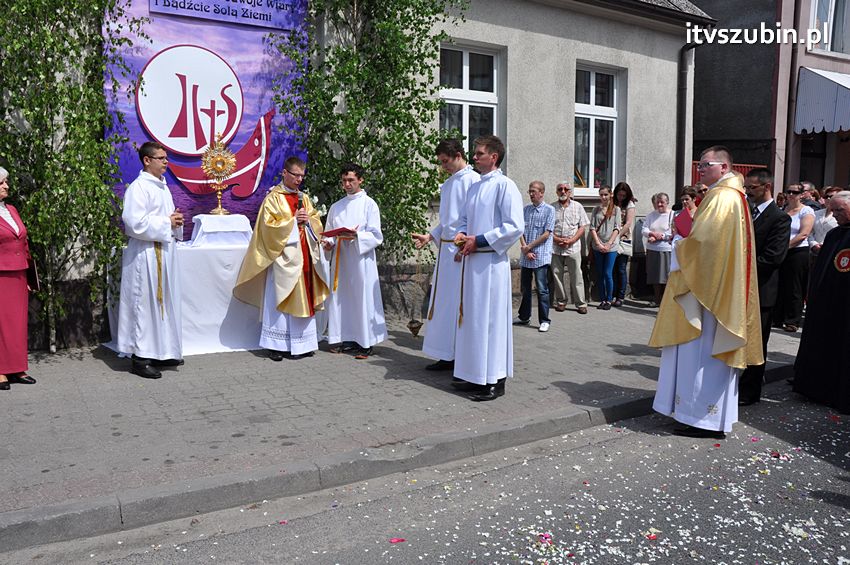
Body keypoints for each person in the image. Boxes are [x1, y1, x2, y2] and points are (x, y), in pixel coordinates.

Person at [649, 145, 762, 439]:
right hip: (715, 287)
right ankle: (700, 416)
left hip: (710, 295)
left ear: (724, 167)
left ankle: (703, 420)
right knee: (702, 357)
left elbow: (704, 244)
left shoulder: (723, 197)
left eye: (706, 164)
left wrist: (677, 245)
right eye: (699, 164)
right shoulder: (728, 195)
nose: (701, 169)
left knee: (702, 356)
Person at [233, 157, 330, 361]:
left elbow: (315, 221)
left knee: (304, 298)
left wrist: (309, 222)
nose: (299, 180)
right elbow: (267, 228)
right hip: (282, 258)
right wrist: (293, 222)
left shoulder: (304, 198)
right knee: (279, 299)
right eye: (295, 175)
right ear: (284, 173)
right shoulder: (273, 199)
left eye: (302, 176)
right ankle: (276, 346)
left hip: (303, 256)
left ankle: (302, 344)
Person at [451, 135, 524, 401]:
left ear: (493, 157)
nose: (474, 157)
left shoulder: (506, 186)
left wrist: (478, 240)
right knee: (472, 319)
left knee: (491, 322)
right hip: (472, 263)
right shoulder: (474, 187)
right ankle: (474, 375)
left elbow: (514, 226)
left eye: (479, 153)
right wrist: (461, 235)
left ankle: (494, 380)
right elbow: (465, 219)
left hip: (491, 264)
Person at [116, 142, 184, 379]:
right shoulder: (138, 188)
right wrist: (167, 223)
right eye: (161, 158)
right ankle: (140, 357)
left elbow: (164, 216)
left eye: (166, 157)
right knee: (144, 304)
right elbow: (133, 223)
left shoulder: (163, 187)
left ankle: (161, 351)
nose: (166, 162)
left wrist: (175, 220)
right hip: (145, 255)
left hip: (163, 252)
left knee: (163, 302)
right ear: (147, 160)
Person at [412, 139, 478, 371]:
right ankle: (445, 353)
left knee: (459, 304)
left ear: (459, 155)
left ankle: (460, 355)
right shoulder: (449, 184)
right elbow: (448, 221)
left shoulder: (474, 181)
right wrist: (430, 236)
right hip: (447, 252)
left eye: (445, 161)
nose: (443, 167)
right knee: (444, 304)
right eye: (440, 163)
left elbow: (473, 218)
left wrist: (463, 246)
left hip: (462, 252)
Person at [322, 163, 387, 358]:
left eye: (351, 180)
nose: (347, 184)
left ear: (360, 180)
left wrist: (357, 236)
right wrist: (328, 243)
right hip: (342, 259)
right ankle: (346, 338)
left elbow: (376, 235)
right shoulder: (336, 206)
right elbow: (330, 231)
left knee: (362, 298)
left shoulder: (369, 204)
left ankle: (365, 343)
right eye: (344, 181)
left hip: (360, 260)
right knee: (342, 298)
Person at [793, 191, 850, 413]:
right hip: (828, 302)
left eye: (839, 210)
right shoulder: (835, 234)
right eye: (833, 210)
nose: (834, 215)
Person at [738, 168, 791, 406]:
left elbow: (774, 257)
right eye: (746, 188)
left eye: (752, 188)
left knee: (756, 343)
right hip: (740, 288)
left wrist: (740, 270)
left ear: (766, 187)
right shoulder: (747, 211)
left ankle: (750, 392)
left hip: (761, 290)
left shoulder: (779, 218)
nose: (748, 192)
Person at [0, 167, 37, 390]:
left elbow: (23, 242)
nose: (7, 186)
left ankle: (17, 367)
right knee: (1, 323)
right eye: (2, 183)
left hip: (18, 274)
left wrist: (30, 275)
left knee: (17, 324)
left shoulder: (12, 209)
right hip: (1, 274)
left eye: (6, 182)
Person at [514, 180, 555, 332]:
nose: (531, 194)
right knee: (525, 287)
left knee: (542, 288)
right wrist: (525, 248)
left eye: (534, 191)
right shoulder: (526, 210)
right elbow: (520, 231)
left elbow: (546, 233)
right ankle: (524, 316)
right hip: (526, 255)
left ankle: (545, 320)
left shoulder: (549, 210)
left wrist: (530, 247)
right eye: (529, 191)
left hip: (540, 256)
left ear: (541, 193)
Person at [776, 183, 815, 332]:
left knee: (795, 286)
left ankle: (792, 320)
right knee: (780, 284)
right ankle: (777, 317)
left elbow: (804, 233)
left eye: (795, 192)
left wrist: (785, 247)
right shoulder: (782, 210)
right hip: (781, 251)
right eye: (789, 191)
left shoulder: (806, 211)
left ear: (801, 194)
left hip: (797, 251)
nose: (791, 194)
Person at [550, 182, 589, 314]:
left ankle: (581, 303)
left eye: (566, 189)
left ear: (570, 192)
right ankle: (561, 301)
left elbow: (582, 227)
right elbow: (548, 229)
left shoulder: (578, 207)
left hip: (573, 248)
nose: (563, 191)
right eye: (560, 189)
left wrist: (571, 240)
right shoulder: (551, 208)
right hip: (556, 248)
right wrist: (557, 239)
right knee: (557, 275)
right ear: (556, 192)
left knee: (577, 276)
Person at [588, 185, 621, 310]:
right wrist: (598, 243)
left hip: (611, 247)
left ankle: (609, 299)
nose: (603, 197)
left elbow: (617, 228)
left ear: (611, 194)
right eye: (601, 194)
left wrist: (608, 244)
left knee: (608, 273)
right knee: (600, 274)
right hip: (598, 246)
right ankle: (602, 299)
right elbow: (592, 228)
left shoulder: (616, 209)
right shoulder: (596, 209)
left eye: (606, 194)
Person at [642, 192, 674, 307]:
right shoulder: (651, 215)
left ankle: (666, 301)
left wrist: (661, 236)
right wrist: (651, 233)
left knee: (666, 276)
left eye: (662, 202)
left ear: (667, 202)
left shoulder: (673, 215)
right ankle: (657, 299)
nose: (660, 204)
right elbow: (644, 228)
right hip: (652, 249)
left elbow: (673, 232)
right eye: (658, 202)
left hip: (666, 249)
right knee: (654, 275)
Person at [612, 182, 636, 307]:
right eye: (619, 195)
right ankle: (612, 294)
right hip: (610, 239)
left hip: (623, 239)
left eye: (623, 195)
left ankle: (620, 296)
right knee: (612, 269)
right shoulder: (613, 203)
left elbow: (627, 223)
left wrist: (617, 236)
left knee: (621, 269)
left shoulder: (630, 205)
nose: (621, 197)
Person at [808, 185, 842, 258]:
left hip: (832, 253)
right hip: (814, 253)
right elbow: (809, 232)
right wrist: (813, 244)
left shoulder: (842, 215)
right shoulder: (816, 213)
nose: (828, 199)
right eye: (826, 197)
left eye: (831, 197)